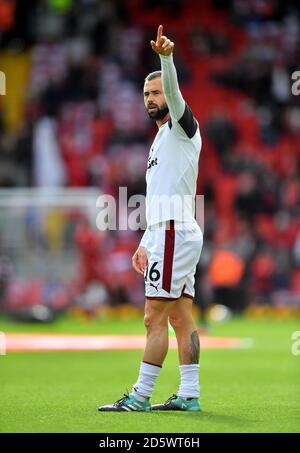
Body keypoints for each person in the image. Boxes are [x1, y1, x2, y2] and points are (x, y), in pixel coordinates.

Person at [98, 25, 203, 412]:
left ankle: (140, 396)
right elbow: (159, 197)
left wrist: (166, 58)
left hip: (174, 231)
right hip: (167, 231)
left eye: (156, 92)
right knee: (179, 316)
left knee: (152, 317)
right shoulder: (159, 141)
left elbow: (175, 94)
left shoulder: (181, 128)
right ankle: (189, 396)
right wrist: (145, 240)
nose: (151, 98)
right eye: (146, 93)